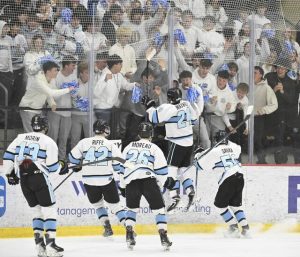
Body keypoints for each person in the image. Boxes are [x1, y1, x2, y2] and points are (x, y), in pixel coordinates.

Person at [2, 115, 68, 257]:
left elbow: (7, 156)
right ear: (46, 126)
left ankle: (40, 247)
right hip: (39, 178)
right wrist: (62, 165)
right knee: (49, 211)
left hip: (24, 180)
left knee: (36, 212)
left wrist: (8, 174)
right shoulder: (48, 141)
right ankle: (51, 246)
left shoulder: (20, 138)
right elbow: (52, 168)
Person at [120, 122, 175, 250]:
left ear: (139, 134)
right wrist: (166, 182)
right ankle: (163, 236)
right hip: (148, 181)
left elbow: (122, 168)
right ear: (151, 134)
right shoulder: (154, 148)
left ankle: (129, 235)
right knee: (159, 210)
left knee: (131, 210)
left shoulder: (128, 147)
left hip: (131, 181)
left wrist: (122, 186)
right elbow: (161, 170)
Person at [68, 119, 127, 237]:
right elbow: (118, 166)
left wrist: (77, 165)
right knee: (115, 206)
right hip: (106, 180)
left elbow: (72, 158)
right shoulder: (110, 144)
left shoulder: (84, 142)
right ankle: (128, 229)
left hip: (89, 181)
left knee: (98, 205)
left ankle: (107, 228)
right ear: (105, 129)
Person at [145, 88, 198, 211]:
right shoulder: (187, 104)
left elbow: (154, 118)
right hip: (189, 142)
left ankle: (174, 196)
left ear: (169, 98)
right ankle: (190, 190)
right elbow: (194, 120)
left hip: (176, 142)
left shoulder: (170, 108)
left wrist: (150, 106)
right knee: (183, 169)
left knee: (170, 169)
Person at [194, 130, 250, 238]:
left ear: (215, 140)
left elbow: (198, 166)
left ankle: (233, 228)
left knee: (219, 205)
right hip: (240, 176)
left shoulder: (213, 152)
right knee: (235, 206)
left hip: (228, 179)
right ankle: (245, 228)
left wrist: (198, 153)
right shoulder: (235, 148)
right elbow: (237, 148)